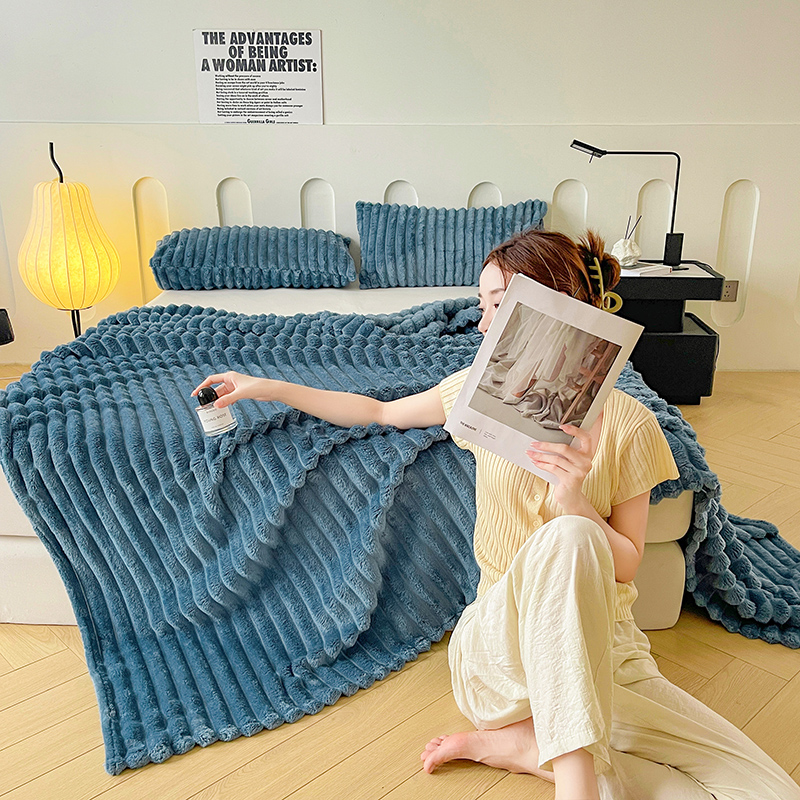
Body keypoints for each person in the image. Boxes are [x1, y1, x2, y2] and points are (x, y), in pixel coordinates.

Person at [194, 229, 800, 800]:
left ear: (552, 309)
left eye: (496, 304)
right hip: (502, 655)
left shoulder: (633, 424)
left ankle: (530, 751)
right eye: (482, 305)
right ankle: (572, 781)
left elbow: (625, 568)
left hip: (608, 654)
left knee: (765, 788)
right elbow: (379, 412)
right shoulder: (479, 395)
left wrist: (573, 498)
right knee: (569, 538)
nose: (482, 322)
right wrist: (266, 387)